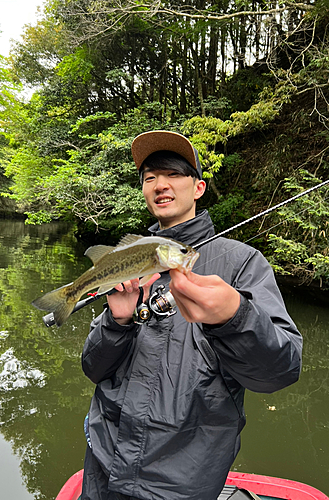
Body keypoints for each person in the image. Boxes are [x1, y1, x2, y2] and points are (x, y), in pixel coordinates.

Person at [81, 131, 303, 500]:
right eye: (150, 177)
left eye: (173, 174)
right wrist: (115, 323)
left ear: (198, 188)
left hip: (184, 479)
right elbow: (93, 368)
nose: (160, 184)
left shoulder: (242, 263)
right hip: (104, 462)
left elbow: (280, 372)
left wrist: (234, 318)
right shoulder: (130, 261)